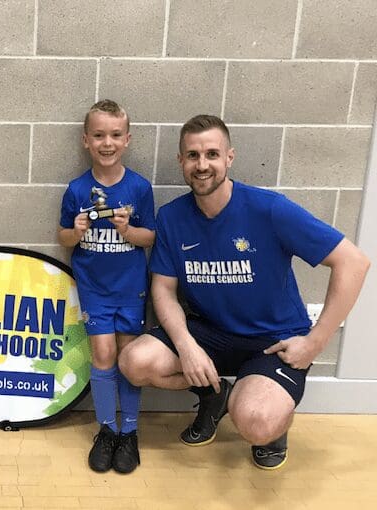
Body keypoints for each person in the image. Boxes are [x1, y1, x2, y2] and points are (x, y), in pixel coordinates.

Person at [119, 115, 370, 469]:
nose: (202, 165)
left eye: (212, 154)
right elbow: (163, 288)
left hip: (273, 339)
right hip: (211, 333)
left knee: (256, 422)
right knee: (134, 362)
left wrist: (315, 342)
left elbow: (354, 262)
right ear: (181, 161)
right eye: (193, 155)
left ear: (229, 157)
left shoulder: (269, 209)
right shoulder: (172, 217)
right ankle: (215, 396)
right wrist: (187, 347)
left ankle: (268, 422)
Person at [58, 100, 155, 473]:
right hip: (94, 289)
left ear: (127, 139)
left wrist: (128, 231)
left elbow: (150, 238)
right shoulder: (76, 189)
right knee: (102, 354)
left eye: (115, 135)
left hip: (131, 289)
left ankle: (129, 431)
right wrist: (75, 231)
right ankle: (106, 430)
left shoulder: (139, 187)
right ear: (86, 140)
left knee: (128, 359)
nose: (107, 143)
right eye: (99, 135)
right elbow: (63, 238)